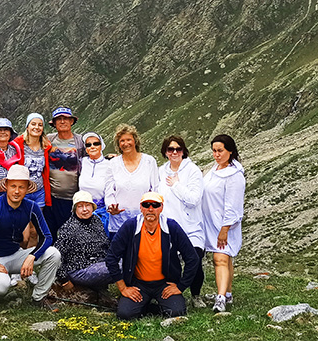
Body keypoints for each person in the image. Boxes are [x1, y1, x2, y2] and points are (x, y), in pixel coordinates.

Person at [0, 164, 62, 308]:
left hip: (16, 255)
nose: (16, 191)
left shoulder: (31, 207)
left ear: (27, 189)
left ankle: (39, 298)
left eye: (21, 187)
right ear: (6, 186)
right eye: (13, 186)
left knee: (54, 254)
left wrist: (32, 256)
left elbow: (47, 236)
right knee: (2, 286)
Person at [105, 192, 199, 320]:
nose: (150, 209)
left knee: (177, 312)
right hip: (138, 284)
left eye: (155, 205)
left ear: (161, 208)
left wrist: (180, 286)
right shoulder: (130, 226)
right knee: (125, 314)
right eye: (146, 205)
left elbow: (192, 258)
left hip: (165, 284)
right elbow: (111, 257)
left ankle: (151, 305)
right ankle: (145, 305)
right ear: (140, 207)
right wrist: (123, 288)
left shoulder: (171, 227)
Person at [156, 135, 206, 308]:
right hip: (168, 226)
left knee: (194, 260)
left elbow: (194, 199)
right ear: (165, 152)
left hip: (190, 226)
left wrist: (176, 185)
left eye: (178, 149)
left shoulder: (193, 171)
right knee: (171, 264)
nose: (175, 152)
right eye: (170, 149)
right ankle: (172, 294)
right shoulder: (160, 171)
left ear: (184, 151)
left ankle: (196, 295)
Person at [201, 134, 245, 313]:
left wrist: (225, 228)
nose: (216, 154)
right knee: (225, 259)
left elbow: (233, 204)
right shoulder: (216, 168)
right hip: (211, 220)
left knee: (220, 258)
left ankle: (220, 299)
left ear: (230, 151)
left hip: (224, 224)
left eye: (220, 151)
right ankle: (227, 293)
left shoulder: (234, 175)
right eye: (214, 151)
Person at [105, 124, 158, 240]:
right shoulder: (113, 164)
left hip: (144, 219)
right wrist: (111, 206)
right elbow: (109, 191)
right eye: (122, 141)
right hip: (119, 221)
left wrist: (152, 209)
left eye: (128, 139)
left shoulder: (149, 161)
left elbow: (155, 189)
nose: (126, 143)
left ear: (135, 141)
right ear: (118, 144)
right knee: (119, 250)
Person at [54, 191, 113, 290]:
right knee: (119, 267)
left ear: (92, 207)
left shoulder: (96, 220)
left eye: (87, 205)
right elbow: (57, 255)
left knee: (129, 261)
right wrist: (64, 280)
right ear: (75, 209)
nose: (85, 209)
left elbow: (105, 243)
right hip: (80, 269)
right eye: (80, 206)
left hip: (99, 261)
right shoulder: (69, 228)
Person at [45, 106, 85, 237]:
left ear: (72, 121)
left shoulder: (80, 141)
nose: (62, 121)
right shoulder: (49, 140)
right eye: (59, 119)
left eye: (66, 119)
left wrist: (109, 158)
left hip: (72, 198)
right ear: (54, 123)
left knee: (71, 234)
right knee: (51, 233)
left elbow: (92, 156)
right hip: (52, 198)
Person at [14, 113, 50, 209]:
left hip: (39, 192)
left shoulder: (46, 146)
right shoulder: (18, 145)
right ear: (27, 127)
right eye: (33, 124)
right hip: (22, 192)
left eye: (40, 125)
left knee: (37, 217)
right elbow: (2, 144)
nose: (36, 127)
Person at [78, 132, 111, 233]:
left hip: (103, 213)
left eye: (96, 144)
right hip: (83, 211)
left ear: (101, 146)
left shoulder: (110, 164)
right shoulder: (83, 162)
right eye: (88, 145)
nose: (92, 147)